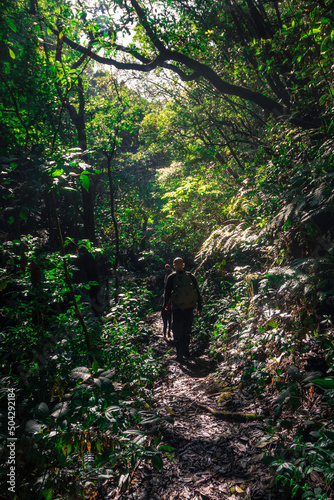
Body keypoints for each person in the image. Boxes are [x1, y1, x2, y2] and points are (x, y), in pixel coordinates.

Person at [162, 257, 202, 363]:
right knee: (187, 329)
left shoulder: (171, 277)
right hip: (189, 308)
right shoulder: (190, 276)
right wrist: (199, 306)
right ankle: (186, 351)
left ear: (174, 266)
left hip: (177, 309)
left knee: (177, 330)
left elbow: (167, 293)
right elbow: (197, 291)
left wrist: (165, 306)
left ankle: (179, 354)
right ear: (183, 265)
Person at [161, 264, 172, 340]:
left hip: (165, 310)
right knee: (169, 322)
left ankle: (165, 334)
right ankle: (167, 333)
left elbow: (165, 280)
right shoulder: (171, 272)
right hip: (169, 310)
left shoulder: (168, 272)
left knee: (166, 323)